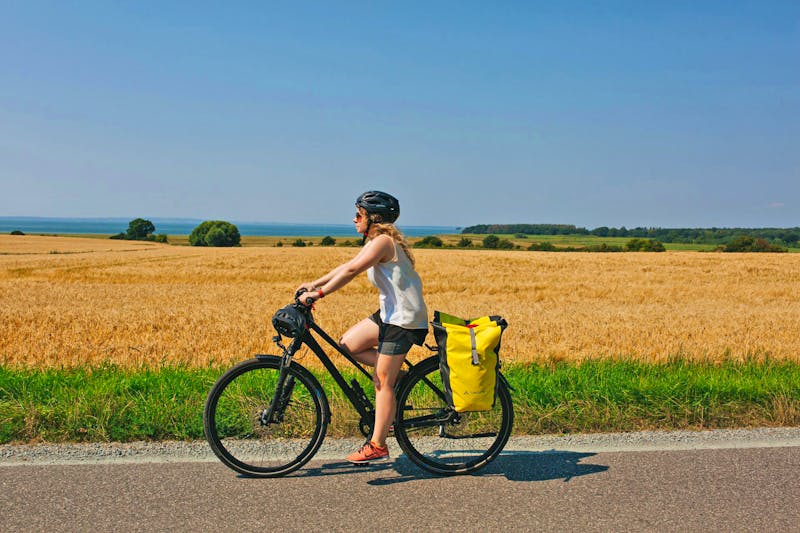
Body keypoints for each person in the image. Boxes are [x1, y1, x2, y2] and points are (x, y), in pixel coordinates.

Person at [296, 191, 428, 464]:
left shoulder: (383, 242)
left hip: (403, 319)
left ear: (374, 218)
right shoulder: (376, 241)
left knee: (381, 380)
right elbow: (347, 266)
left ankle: (378, 444)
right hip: (389, 314)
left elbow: (351, 272)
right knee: (348, 345)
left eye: (359, 214)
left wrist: (317, 296)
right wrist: (314, 284)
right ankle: (397, 380)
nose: (355, 218)